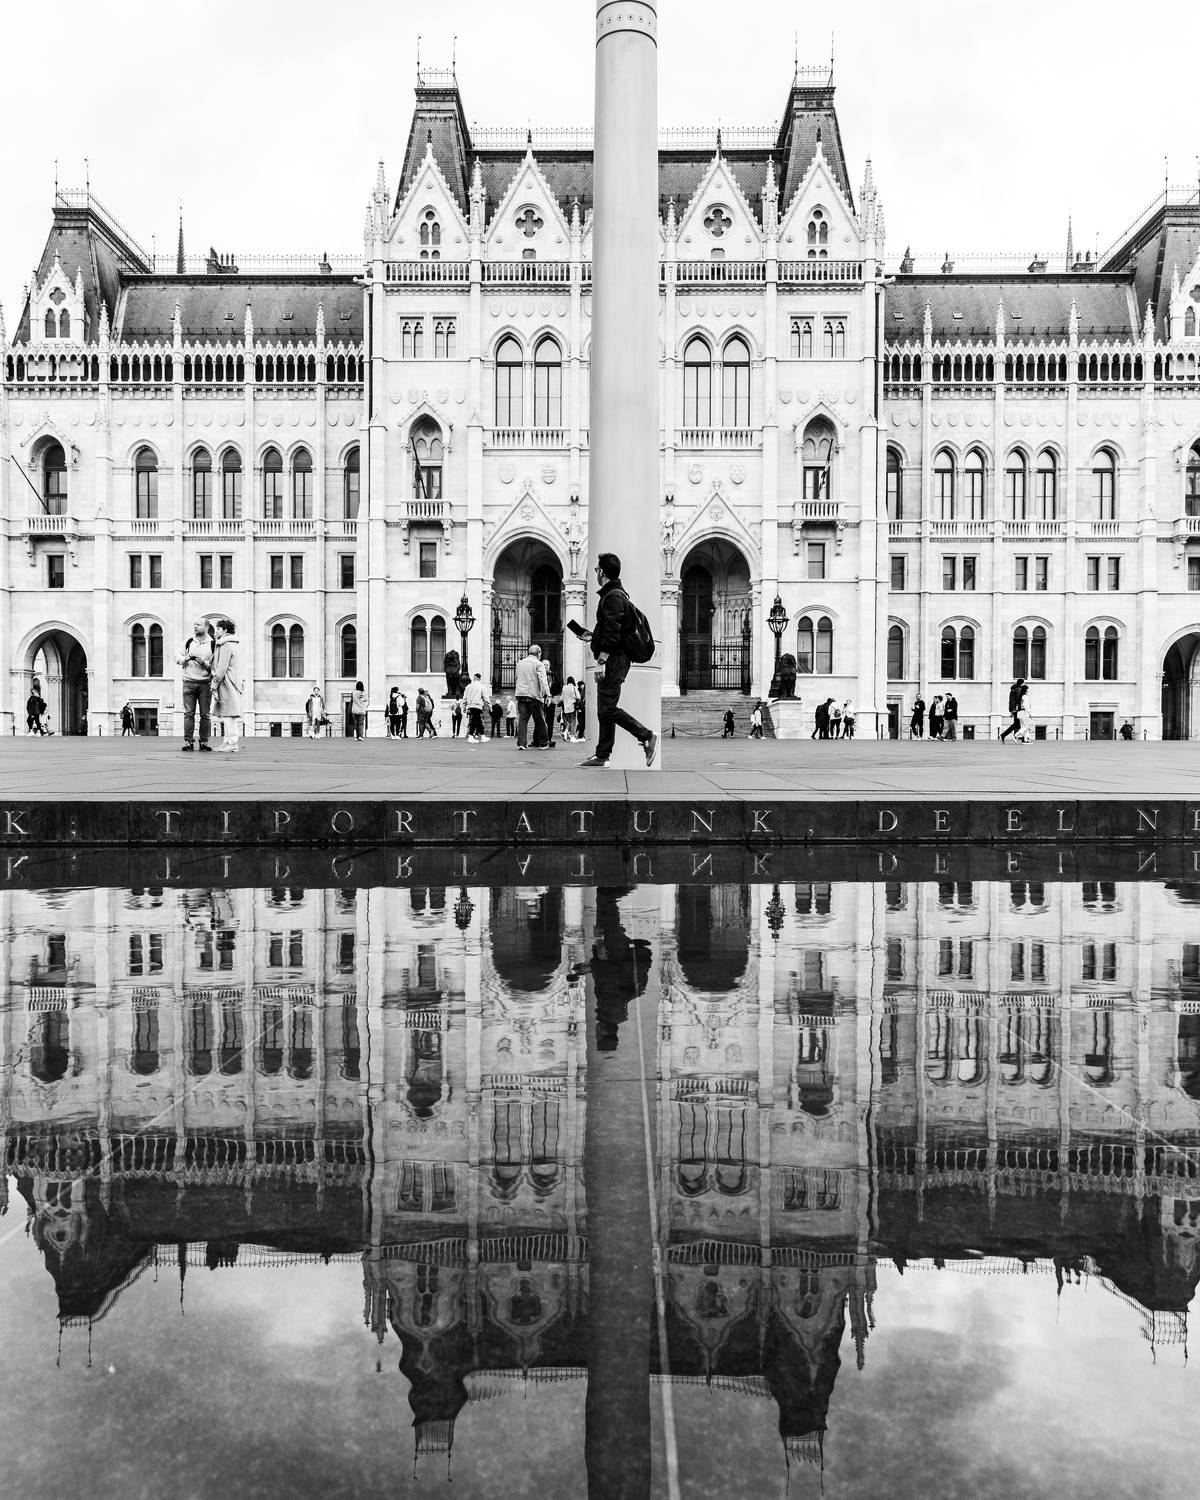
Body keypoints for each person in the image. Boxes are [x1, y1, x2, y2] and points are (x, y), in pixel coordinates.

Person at [580, 553, 658, 769]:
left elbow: (613, 632)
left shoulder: (613, 596)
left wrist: (601, 660)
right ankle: (602, 755)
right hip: (615, 658)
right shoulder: (615, 595)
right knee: (605, 709)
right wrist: (593, 636)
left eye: (596, 570)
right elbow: (611, 628)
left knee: (607, 709)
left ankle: (647, 736)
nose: (596, 573)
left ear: (602, 572)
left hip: (614, 660)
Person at [177, 618, 214, 752]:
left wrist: (204, 663)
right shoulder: (188, 642)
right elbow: (177, 657)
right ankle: (188, 742)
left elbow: (216, 665)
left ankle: (204, 742)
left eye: (198, 625)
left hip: (205, 683)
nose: (195, 627)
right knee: (189, 714)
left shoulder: (213, 644)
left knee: (205, 715)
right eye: (194, 625)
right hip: (188, 682)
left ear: (206, 627)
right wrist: (184, 659)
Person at [209, 618, 243, 753]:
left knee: (229, 715)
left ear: (225, 630)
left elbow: (221, 668)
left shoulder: (225, 645)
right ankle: (227, 741)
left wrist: (214, 683)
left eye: (218, 629)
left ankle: (232, 742)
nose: (215, 631)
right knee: (227, 714)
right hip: (230, 682)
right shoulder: (230, 644)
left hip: (227, 683)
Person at [514, 643, 550, 751]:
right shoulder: (538, 664)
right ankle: (543, 743)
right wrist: (547, 694)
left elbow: (517, 678)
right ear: (538, 653)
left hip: (521, 694)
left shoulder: (520, 663)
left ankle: (522, 743)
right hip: (533, 695)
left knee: (523, 720)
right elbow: (543, 681)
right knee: (539, 720)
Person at [463, 672, 487, 743]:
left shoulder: (468, 687)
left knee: (478, 720)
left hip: (470, 705)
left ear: (474, 678)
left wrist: (464, 706)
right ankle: (471, 736)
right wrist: (489, 705)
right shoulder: (482, 686)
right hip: (478, 705)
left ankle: (482, 736)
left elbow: (465, 697)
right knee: (475, 720)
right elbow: (485, 697)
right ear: (480, 678)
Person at [1000, 678, 1026, 742]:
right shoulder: (1018, 689)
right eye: (1024, 682)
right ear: (1022, 683)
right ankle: (1006, 735)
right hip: (1017, 709)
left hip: (1014, 709)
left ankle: (1020, 737)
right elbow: (1018, 700)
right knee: (1019, 723)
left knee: (1018, 723)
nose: (1024, 683)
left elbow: (1012, 701)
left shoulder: (1014, 689)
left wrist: (1012, 711)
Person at [561, 676, 579, 741]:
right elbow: (578, 696)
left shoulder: (564, 688)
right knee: (573, 721)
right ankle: (572, 736)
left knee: (569, 721)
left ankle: (565, 732)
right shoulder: (574, 688)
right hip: (572, 706)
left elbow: (562, 698)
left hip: (566, 707)